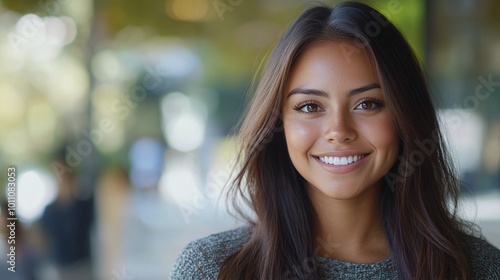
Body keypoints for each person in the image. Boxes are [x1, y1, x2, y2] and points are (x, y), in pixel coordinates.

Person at [170, 2, 500, 279]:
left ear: (405, 116)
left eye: (368, 104)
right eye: (310, 107)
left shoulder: (477, 268)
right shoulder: (211, 269)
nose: (338, 130)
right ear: (278, 124)